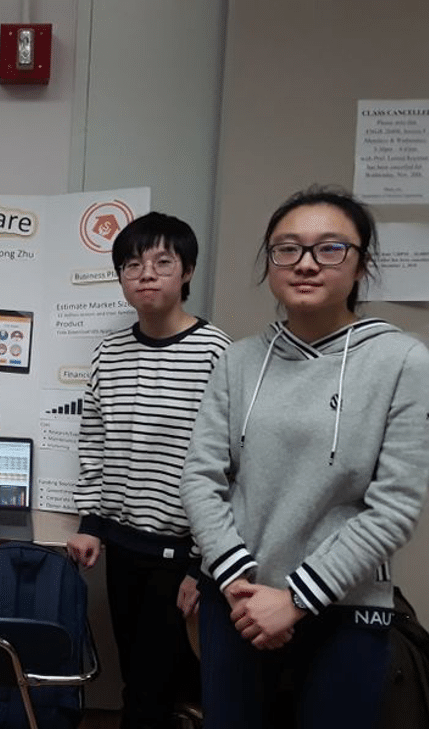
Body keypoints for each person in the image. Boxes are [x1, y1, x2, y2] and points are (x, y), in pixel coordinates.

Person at [180, 186, 429, 728]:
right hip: (237, 604)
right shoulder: (239, 361)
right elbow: (201, 478)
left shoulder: (405, 362)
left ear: (361, 264)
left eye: (330, 248)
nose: (307, 263)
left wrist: (294, 598)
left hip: (343, 611)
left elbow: (395, 507)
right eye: (287, 248)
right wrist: (238, 584)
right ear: (270, 263)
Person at [66, 211, 231, 729]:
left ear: (187, 271)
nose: (146, 273)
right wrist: (91, 524)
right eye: (133, 264)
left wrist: (201, 566)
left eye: (163, 261)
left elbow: (230, 464)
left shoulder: (216, 352)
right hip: (123, 547)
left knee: (161, 688)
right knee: (136, 678)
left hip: (183, 553)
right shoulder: (109, 353)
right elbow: (93, 440)